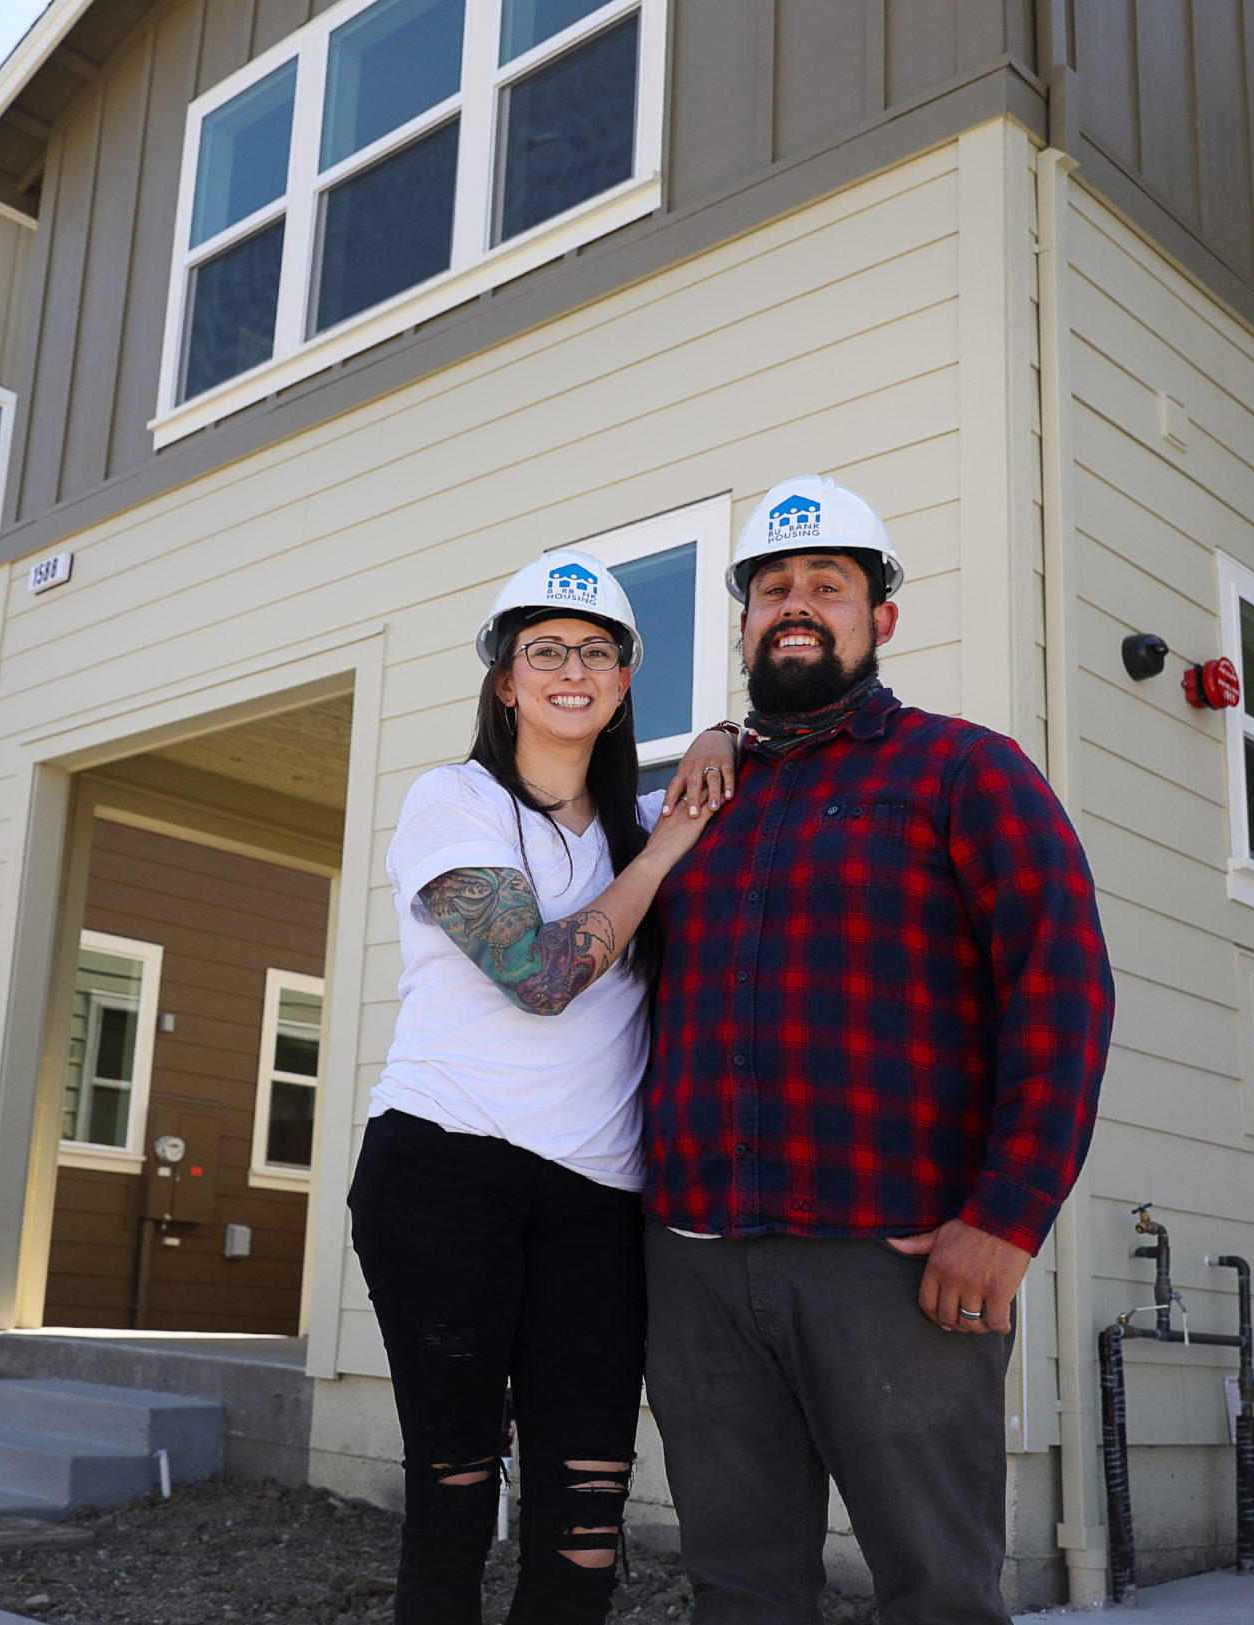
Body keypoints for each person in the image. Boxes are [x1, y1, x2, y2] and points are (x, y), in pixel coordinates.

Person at [648, 477, 1115, 1624]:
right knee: (738, 1587)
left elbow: (1061, 988)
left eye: (826, 584)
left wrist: (1006, 1217)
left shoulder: (963, 769)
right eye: (771, 587)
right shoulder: (694, 805)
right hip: (696, 1259)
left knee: (938, 1590)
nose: (794, 603)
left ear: (879, 620)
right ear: (745, 622)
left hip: (896, 1262)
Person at [351, 550, 721, 1625]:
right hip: (443, 1172)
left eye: (595, 651)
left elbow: (745, 771)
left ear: (619, 683)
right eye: (544, 650)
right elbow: (540, 974)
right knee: (456, 1489)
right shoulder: (451, 799)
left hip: (600, 1202)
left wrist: (723, 736)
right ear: (504, 680)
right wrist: (658, 858)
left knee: (587, 1521)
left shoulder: (637, 817)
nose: (572, 668)